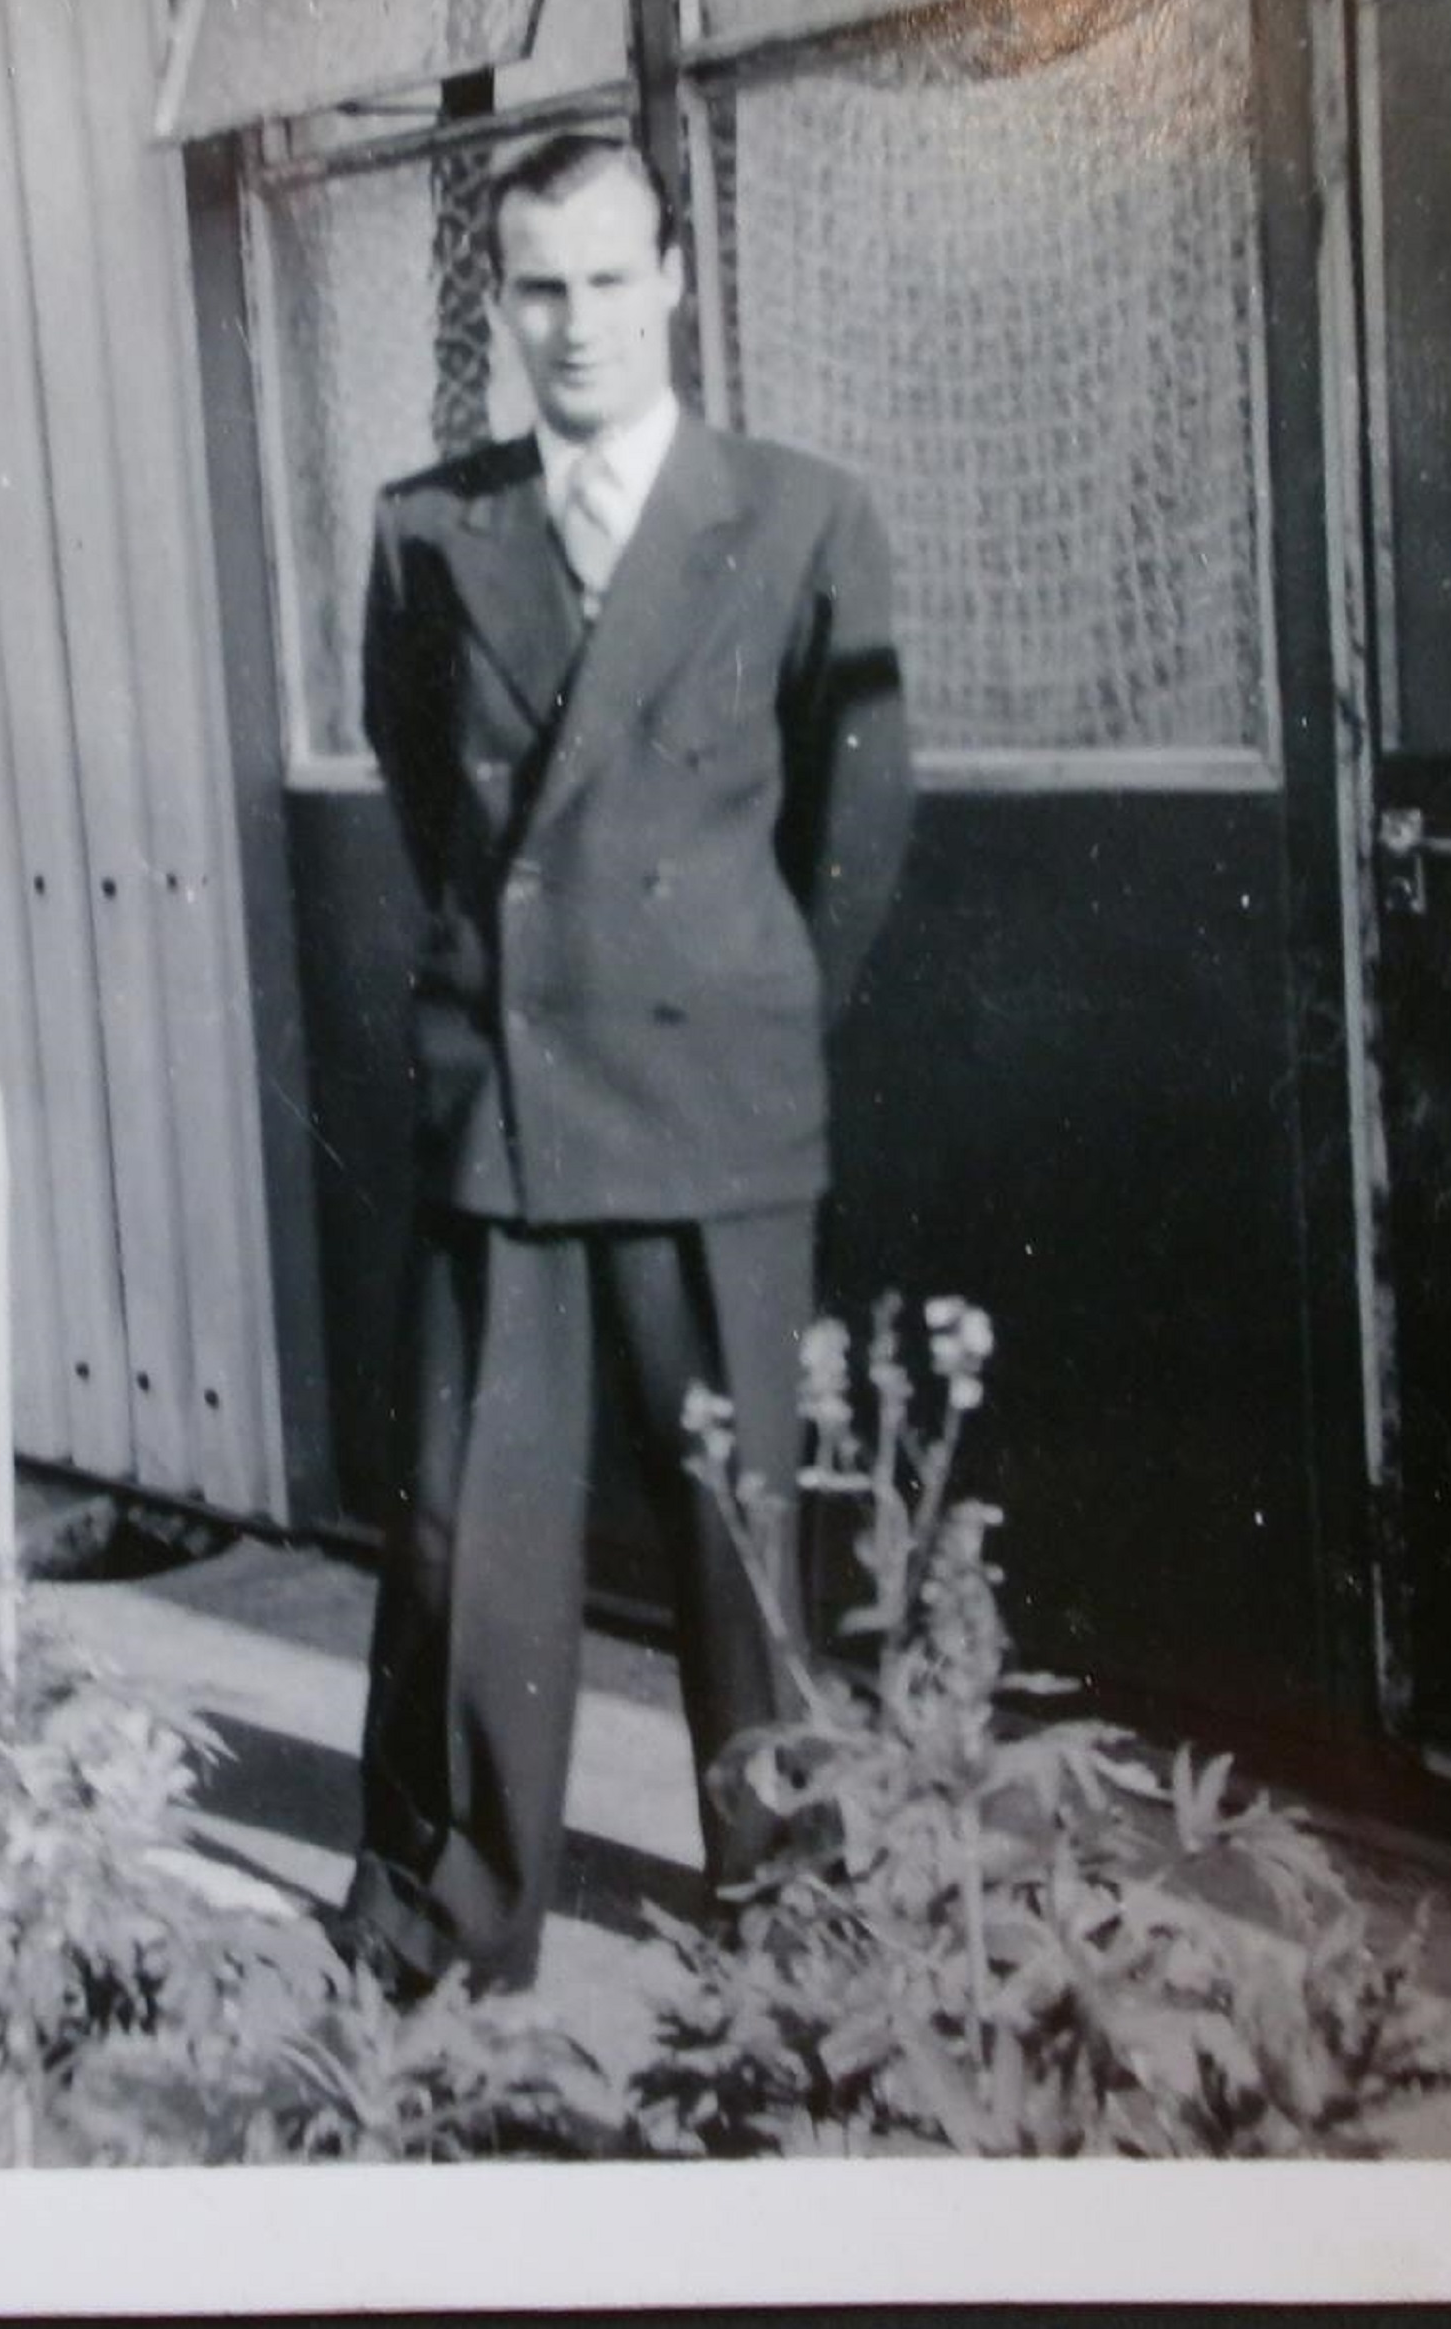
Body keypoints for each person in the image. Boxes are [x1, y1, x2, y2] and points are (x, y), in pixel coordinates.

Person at [336, 129, 915, 1997]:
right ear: (498, 302)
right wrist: (519, 993)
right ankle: (454, 1915)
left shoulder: (807, 515)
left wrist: (738, 1009)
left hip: (716, 1110)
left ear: (676, 276)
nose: (574, 324)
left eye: (608, 277)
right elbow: (436, 805)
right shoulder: (432, 528)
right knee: (469, 1541)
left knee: (749, 1551)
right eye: (536, 287)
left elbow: (855, 833)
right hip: (507, 1105)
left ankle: (793, 1920)